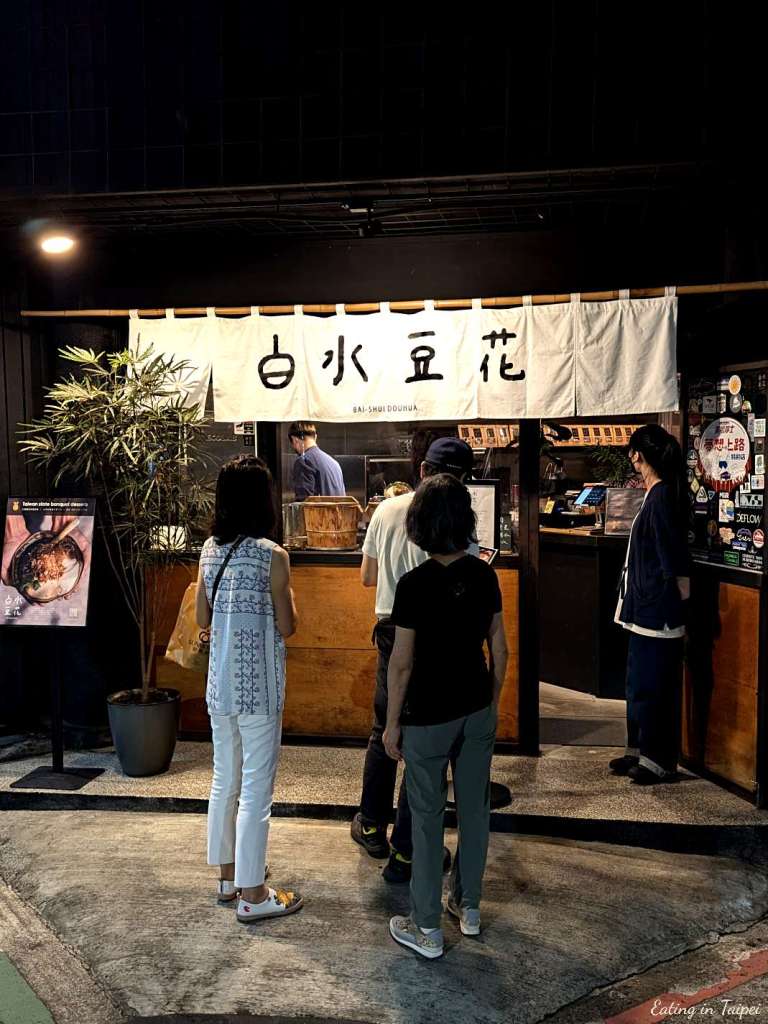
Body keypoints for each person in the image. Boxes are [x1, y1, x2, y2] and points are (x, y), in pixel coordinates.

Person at [383, 474, 508, 959]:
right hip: (476, 707)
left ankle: (428, 928)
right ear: (464, 519)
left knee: (429, 815)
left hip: (428, 716)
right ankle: (469, 908)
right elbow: (499, 647)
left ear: (420, 523)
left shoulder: (413, 586)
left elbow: (402, 663)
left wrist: (393, 723)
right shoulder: (484, 574)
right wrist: (491, 701)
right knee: (474, 809)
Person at [352, 437, 477, 883]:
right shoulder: (458, 518)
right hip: (438, 640)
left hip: (390, 632)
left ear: (422, 468)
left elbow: (368, 577)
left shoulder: (387, 510)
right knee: (424, 744)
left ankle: (370, 824)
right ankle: (406, 851)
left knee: (382, 731)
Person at [196, 455, 303, 922]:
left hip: (219, 686)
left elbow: (202, 618)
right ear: (263, 500)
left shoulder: (208, 551)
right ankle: (254, 895)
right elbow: (289, 624)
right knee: (257, 787)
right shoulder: (273, 555)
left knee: (225, 778)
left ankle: (227, 877)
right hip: (259, 687)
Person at [611, 424, 690, 785]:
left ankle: (657, 759)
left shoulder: (660, 498)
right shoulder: (655, 493)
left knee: (653, 685)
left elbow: (672, 557)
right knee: (637, 682)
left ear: (637, 455)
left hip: (656, 611)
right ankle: (638, 750)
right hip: (641, 608)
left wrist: (677, 601)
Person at [287, 422, 345, 500]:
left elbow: (304, 502)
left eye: (292, 443)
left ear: (295, 440)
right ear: (315, 437)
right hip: (339, 512)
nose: (294, 447)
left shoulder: (303, 461)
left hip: (318, 512)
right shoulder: (334, 463)